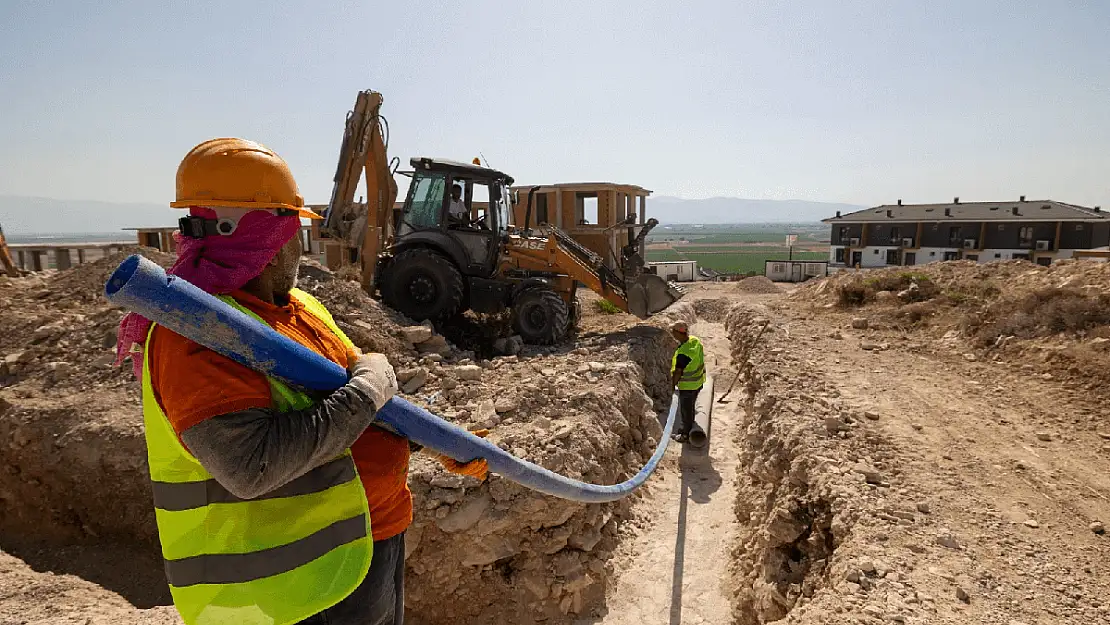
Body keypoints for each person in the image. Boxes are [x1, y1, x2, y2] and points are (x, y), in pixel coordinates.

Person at [116, 138, 488, 625]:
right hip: (297, 587)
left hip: (367, 540)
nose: (299, 245)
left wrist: (430, 441)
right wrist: (367, 390)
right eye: (294, 230)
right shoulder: (196, 337)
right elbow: (251, 466)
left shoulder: (299, 308)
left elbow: (354, 403)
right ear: (269, 236)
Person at [669, 320, 706, 443]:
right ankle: (688, 425)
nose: (672, 333)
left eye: (673, 331)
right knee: (690, 407)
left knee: (686, 410)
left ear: (679, 333)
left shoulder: (684, 353)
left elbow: (678, 372)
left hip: (688, 386)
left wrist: (672, 385)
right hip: (698, 382)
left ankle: (685, 435)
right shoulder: (695, 341)